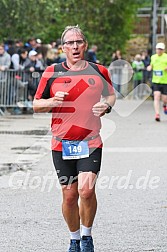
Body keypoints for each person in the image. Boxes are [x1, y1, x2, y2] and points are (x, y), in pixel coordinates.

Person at [33, 25, 116, 252]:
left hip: (90, 141)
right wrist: (52, 102)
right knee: (69, 196)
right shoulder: (52, 72)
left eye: (79, 42)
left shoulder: (99, 71)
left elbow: (110, 94)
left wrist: (106, 106)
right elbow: (36, 104)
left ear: (85, 45)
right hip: (62, 144)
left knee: (86, 191)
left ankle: (87, 236)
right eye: (70, 43)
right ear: (63, 48)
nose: (75, 46)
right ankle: (74, 239)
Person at [147, 42, 167, 121]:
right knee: (156, 96)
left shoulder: (166, 57)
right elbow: (151, 65)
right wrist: (149, 67)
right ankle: (157, 114)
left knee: (165, 99)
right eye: (158, 49)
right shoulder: (153, 57)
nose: (159, 51)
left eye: (161, 49)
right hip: (156, 81)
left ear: (163, 50)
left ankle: (165, 105)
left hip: (165, 81)